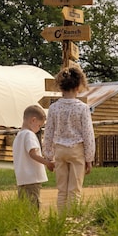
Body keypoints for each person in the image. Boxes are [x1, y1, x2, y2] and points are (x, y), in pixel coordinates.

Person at [41, 63, 95, 211]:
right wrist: (89, 158)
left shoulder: (54, 108)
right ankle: (72, 218)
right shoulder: (83, 108)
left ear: (61, 87)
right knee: (74, 190)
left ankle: (61, 219)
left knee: (62, 190)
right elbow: (88, 134)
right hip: (77, 150)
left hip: (60, 150)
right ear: (78, 87)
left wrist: (48, 155)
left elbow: (49, 132)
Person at [13, 104, 54, 210]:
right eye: (39, 125)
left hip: (22, 178)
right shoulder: (29, 135)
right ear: (33, 120)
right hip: (32, 178)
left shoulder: (18, 136)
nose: (38, 129)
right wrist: (47, 163)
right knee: (33, 204)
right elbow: (33, 153)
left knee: (23, 205)